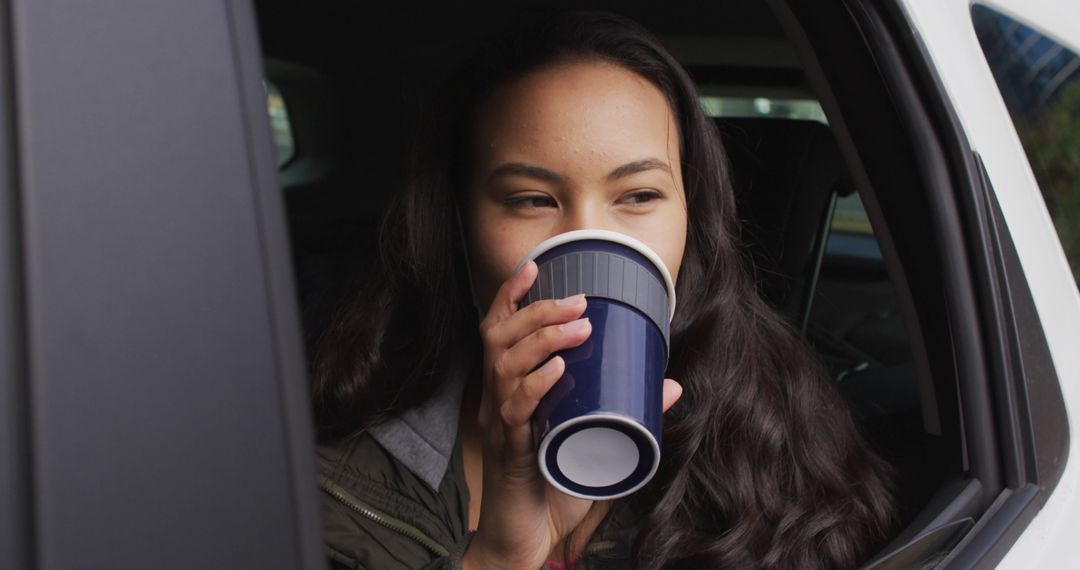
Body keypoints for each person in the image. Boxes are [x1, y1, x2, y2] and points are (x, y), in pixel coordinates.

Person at [311, 10, 897, 570]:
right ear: (458, 226)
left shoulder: (781, 439)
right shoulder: (338, 475)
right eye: (531, 199)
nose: (588, 237)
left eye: (639, 196)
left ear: (691, 217)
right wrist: (495, 559)